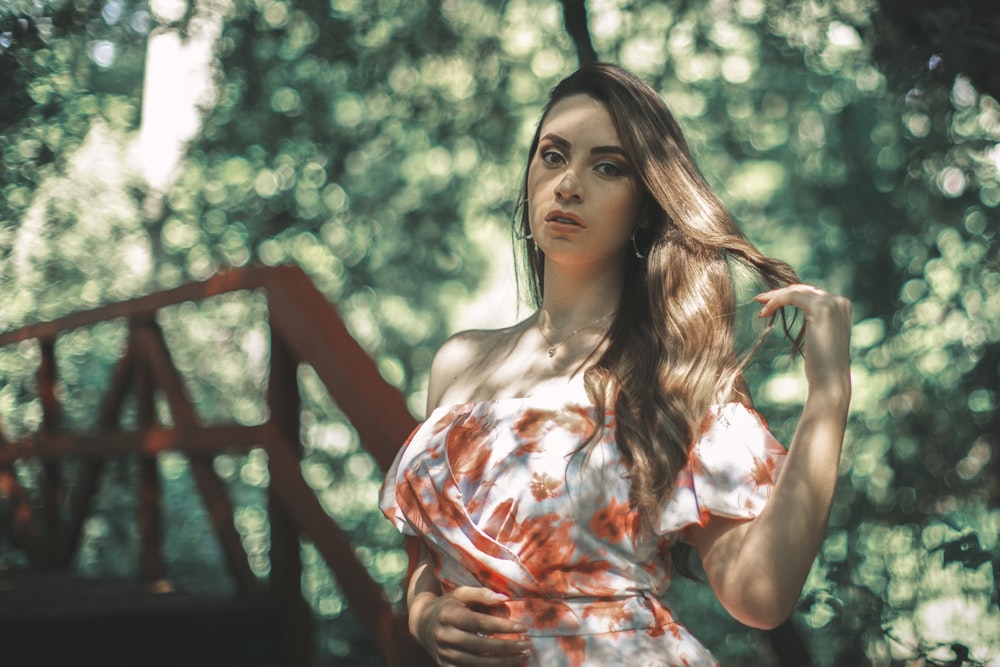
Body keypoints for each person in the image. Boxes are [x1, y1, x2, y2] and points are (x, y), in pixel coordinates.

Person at [379, 62, 852, 667]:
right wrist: (424, 615)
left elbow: (759, 595)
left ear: (646, 208)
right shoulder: (461, 362)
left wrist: (829, 396)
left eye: (607, 167)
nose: (568, 184)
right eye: (553, 156)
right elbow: (426, 556)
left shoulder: (671, 378)